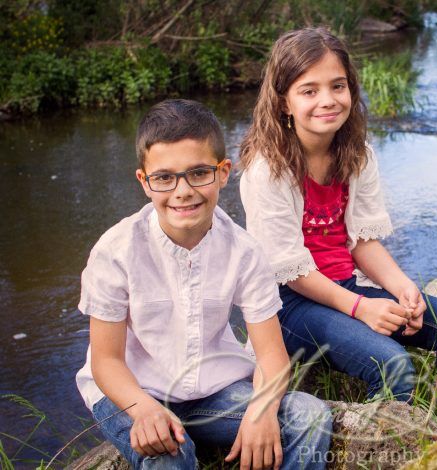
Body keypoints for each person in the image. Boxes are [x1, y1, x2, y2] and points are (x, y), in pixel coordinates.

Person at [75, 99, 332, 470]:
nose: (183, 191)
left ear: (224, 172)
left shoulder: (244, 251)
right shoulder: (115, 252)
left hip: (211, 390)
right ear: (144, 182)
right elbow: (106, 360)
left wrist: (261, 409)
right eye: (164, 177)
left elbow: (271, 354)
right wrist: (143, 410)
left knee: (308, 416)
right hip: (132, 390)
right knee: (167, 456)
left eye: (198, 173)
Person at [238, 28, 437, 408]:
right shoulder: (267, 170)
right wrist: (360, 308)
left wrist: (404, 289)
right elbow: (291, 271)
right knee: (393, 366)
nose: (328, 100)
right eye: (309, 91)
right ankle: (379, 453)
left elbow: (363, 242)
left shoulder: (357, 155)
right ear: (284, 102)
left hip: (346, 286)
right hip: (288, 304)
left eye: (338, 86)